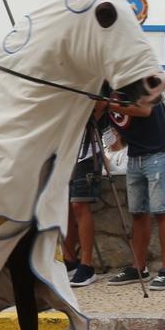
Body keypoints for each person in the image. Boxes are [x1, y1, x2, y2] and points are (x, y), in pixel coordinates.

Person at [104, 101, 165, 291]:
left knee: (162, 210)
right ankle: (139, 267)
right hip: (135, 153)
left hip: (159, 151)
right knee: (138, 212)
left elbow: (145, 110)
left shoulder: (137, 76)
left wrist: (105, 103)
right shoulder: (101, 86)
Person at [65, 119, 102, 287]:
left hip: (86, 151)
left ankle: (86, 265)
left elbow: (99, 106)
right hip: (62, 149)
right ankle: (69, 259)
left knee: (79, 204)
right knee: (64, 206)